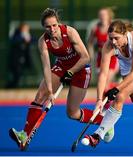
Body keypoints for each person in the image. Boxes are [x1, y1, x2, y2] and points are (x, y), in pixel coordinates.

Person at [8, 8, 105, 149]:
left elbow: (85, 57)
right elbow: (47, 68)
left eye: (54, 25)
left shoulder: (70, 32)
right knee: (40, 95)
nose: (52, 29)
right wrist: (50, 91)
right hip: (61, 67)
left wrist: (71, 72)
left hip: (81, 70)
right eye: (48, 26)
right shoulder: (43, 42)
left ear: (58, 23)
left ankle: (104, 122)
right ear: (44, 27)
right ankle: (24, 135)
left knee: (72, 113)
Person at [87, 7, 119, 91]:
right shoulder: (95, 29)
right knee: (101, 84)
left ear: (108, 16)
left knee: (106, 83)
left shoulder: (113, 27)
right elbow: (90, 43)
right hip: (100, 59)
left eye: (104, 14)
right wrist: (91, 55)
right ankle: (115, 88)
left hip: (113, 58)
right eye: (100, 15)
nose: (102, 16)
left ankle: (116, 90)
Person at [6, 23, 32, 88]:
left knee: (19, 74)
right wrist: (23, 38)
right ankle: (10, 86)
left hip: (23, 58)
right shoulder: (17, 35)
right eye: (25, 28)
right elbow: (14, 40)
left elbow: (34, 40)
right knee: (16, 74)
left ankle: (13, 86)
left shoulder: (28, 36)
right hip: (15, 59)